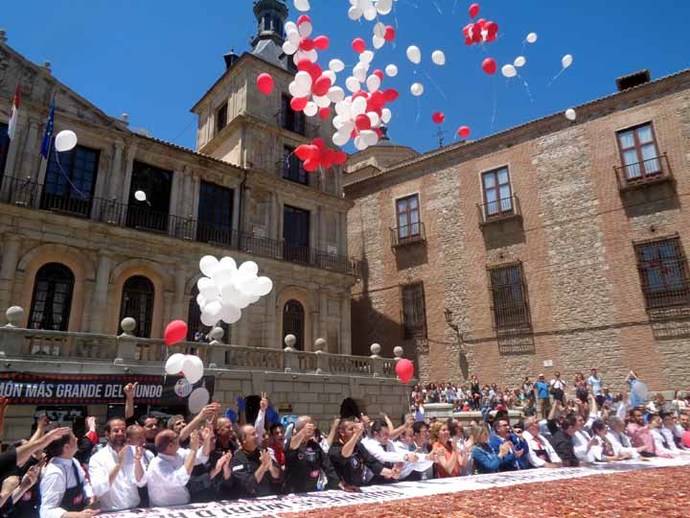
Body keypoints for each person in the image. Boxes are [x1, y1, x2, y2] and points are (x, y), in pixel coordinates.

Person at [88, 418, 147, 512]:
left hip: (135, 510)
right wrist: (118, 465)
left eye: (123, 430)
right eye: (116, 431)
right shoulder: (97, 458)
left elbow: (141, 482)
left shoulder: (135, 451)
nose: (120, 433)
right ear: (107, 434)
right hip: (111, 512)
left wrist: (138, 461)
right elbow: (98, 489)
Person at [146, 428, 212, 507]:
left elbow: (201, 458)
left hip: (184, 505)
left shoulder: (179, 453)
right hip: (163, 509)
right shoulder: (157, 464)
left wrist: (207, 439)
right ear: (170, 445)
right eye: (176, 440)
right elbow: (180, 480)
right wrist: (193, 449)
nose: (179, 442)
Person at [285, 416, 351, 493]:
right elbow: (292, 446)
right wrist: (302, 432)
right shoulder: (291, 442)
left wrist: (339, 483)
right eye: (309, 425)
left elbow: (327, 466)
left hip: (312, 490)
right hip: (293, 491)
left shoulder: (314, 445)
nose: (312, 428)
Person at [39, 431, 96, 518]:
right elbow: (46, 511)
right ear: (66, 447)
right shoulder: (55, 473)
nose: (77, 439)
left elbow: (84, 482)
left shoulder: (74, 461)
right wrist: (76, 515)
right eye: (73, 438)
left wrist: (89, 496)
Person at [328, 419, 397, 487]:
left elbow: (372, 463)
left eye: (355, 428)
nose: (354, 431)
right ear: (342, 432)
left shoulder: (358, 446)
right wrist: (356, 435)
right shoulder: (334, 448)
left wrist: (390, 472)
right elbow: (345, 454)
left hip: (357, 487)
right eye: (351, 429)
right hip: (340, 489)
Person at [230, 425, 281, 498]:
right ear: (244, 439)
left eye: (256, 433)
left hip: (268, 498)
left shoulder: (263, 452)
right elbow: (248, 485)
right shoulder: (237, 459)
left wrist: (270, 467)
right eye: (253, 434)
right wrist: (263, 467)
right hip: (248, 501)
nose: (257, 436)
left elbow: (278, 477)